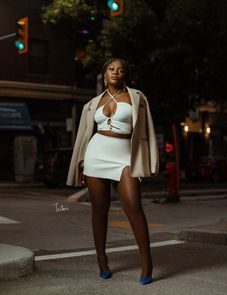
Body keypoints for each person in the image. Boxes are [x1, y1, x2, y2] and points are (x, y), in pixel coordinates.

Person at [67, 58, 159, 285]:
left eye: (120, 70)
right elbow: (85, 135)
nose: (115, 73)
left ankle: (147, 262)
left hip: (124, 156)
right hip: (95, 155)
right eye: (111, 69)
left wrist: (147, 161)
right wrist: (81, 164)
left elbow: (146, 131)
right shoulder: (92, 103)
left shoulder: (137, 98)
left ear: (125, 74)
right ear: (104, 74)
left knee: (134, 207)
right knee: (99, 210)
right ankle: (102, 260)